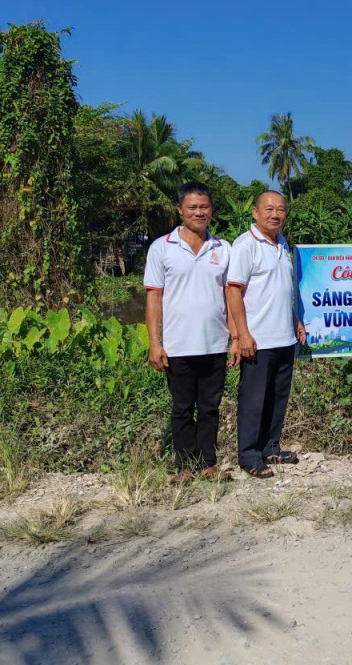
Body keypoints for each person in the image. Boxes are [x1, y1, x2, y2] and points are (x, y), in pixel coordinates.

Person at [144, 182, 231, 483]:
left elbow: (231, 296)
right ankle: (184, 466)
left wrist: (235, 338)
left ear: (212, 210)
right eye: (192, 207)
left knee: (210, 408)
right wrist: (155, 343)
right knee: (182, 408)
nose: (199, 212)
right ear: (180, 210)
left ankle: (208, 463)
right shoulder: (161, 247)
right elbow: (154, 297)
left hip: (215, 343)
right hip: (178, 345)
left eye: (204, 207)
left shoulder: (223, 248)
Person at [226, 190, 306, 479]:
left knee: (277, 397)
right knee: (254, 400)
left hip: (284, 338)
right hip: (258, 339)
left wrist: (295, 320)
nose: (275, 215)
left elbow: (281, 289)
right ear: (256, 213)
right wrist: (241, 335)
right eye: (269, 209)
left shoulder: (283, 244)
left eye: (281, 209)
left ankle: (271, 447)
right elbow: (233, 291)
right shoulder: (245, 245)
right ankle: (249, 455)